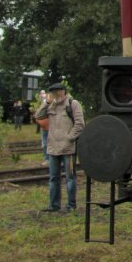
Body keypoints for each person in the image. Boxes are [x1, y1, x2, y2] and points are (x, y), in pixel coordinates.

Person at [35, 82, 85, 213]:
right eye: (53, 92)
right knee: (53, 178)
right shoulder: (51, 105)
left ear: (63, 91)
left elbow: (80, 124)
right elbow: (38, 116)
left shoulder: (73, 104)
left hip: (68, 149)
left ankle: (71, 205)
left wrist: (69, 138)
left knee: (70, 178)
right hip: (53, 148)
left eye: (57, 91)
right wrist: (46, 102)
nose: (55, 94)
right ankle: (54, 205)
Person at [35, 89, 50, 166]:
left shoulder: (53, 104)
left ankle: (50, 159)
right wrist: (39, 121)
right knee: (45, 144)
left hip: (51, 128)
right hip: (44, 128)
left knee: (49, 144)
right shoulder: (43, 104)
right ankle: (47, 159)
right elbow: (38, 114)